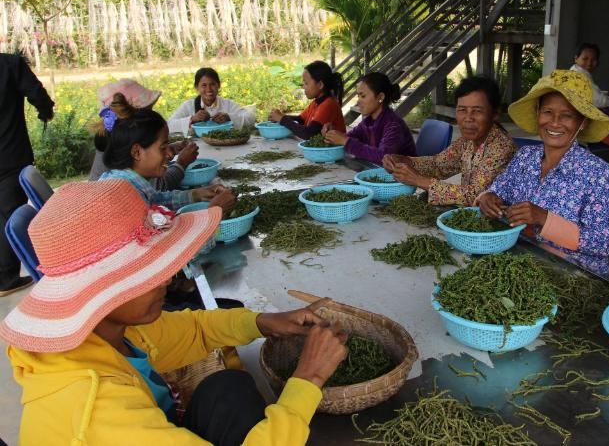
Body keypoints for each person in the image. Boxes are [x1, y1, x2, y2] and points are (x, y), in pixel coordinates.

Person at [0, 179, 348, 445]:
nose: (169, 277)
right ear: (102, 291)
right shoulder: (95, 410)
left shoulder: (107, 331)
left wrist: (261, 322)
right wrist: (310, 378)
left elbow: (192, 329)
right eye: (151, 271)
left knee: (227, 388)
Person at [477, 70, 609, 276]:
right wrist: (488, 197)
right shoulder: (525, 157)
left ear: (583, 122)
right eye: (547, 112)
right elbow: (498, 191)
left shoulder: (599, 174)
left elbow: (602, 244)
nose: (554, 122)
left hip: (575, 275)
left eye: (567, 115)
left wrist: (544, 218)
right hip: (523, 261)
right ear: (538, 114)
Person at [383, 76, 516, 206]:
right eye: (462, 110)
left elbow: (475, 195)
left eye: (477, 111)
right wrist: (406, 161)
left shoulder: (502, 147)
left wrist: (419, 180)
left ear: (495, 114)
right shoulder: (466, 142)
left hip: (500, 222)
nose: (468, 118)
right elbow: (438, 165)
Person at [100, 106, 235, 212]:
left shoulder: (128, 181)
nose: (170, 155)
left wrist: (197, 194)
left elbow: (156, 200)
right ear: (136, 152)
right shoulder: (122, 197)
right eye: (163, 148)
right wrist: (215, 210)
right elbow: (157, 243)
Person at [0, 53, 54, 296]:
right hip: (11, 155)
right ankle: (5, 278)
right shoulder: (9, 65)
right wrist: (45, 111)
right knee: (9, 214)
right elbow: (36, 93)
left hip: (11, 156)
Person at [89, 79, 199, 189]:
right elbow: (159, 187)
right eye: (147, 112)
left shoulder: (121, 139)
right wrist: (182, 162)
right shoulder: (122, 179)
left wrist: (166, 149)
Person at [322, 72, 416, 163]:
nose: (358, 102)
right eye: (358, 96)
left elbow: (384, 158)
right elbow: (348, 137)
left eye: (363, 96)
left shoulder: (393, 125)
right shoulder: (368, 122)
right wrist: (333, 134)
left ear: (380, 97)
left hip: (406, 176)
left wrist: (346, 142)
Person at [570, 42, 609, 164]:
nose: (589, 63)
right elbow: (600, 101)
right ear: (576, 58)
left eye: (593, 60)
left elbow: (593, 93)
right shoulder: (581, 74)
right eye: (585, 58)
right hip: (584, 114)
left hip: (581, 112)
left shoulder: (575, 71)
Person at [269, 60, 346, 139]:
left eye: (306, 83)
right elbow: (300, 120)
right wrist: (279, 117)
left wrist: (282, 119)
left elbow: (308, 134)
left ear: (320, 85)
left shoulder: (329, 104)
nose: (303, 87)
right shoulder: (316, 103)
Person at [168, 67, 256, 135]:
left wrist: (229, 117)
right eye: (204, 85)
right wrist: (192, 119)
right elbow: (169, 125)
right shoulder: (189, 106)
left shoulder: (227, 104)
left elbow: (251, 118)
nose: (209, 89)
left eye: (212, 84)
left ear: (219, 85)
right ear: (197, 87)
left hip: (225, 147)